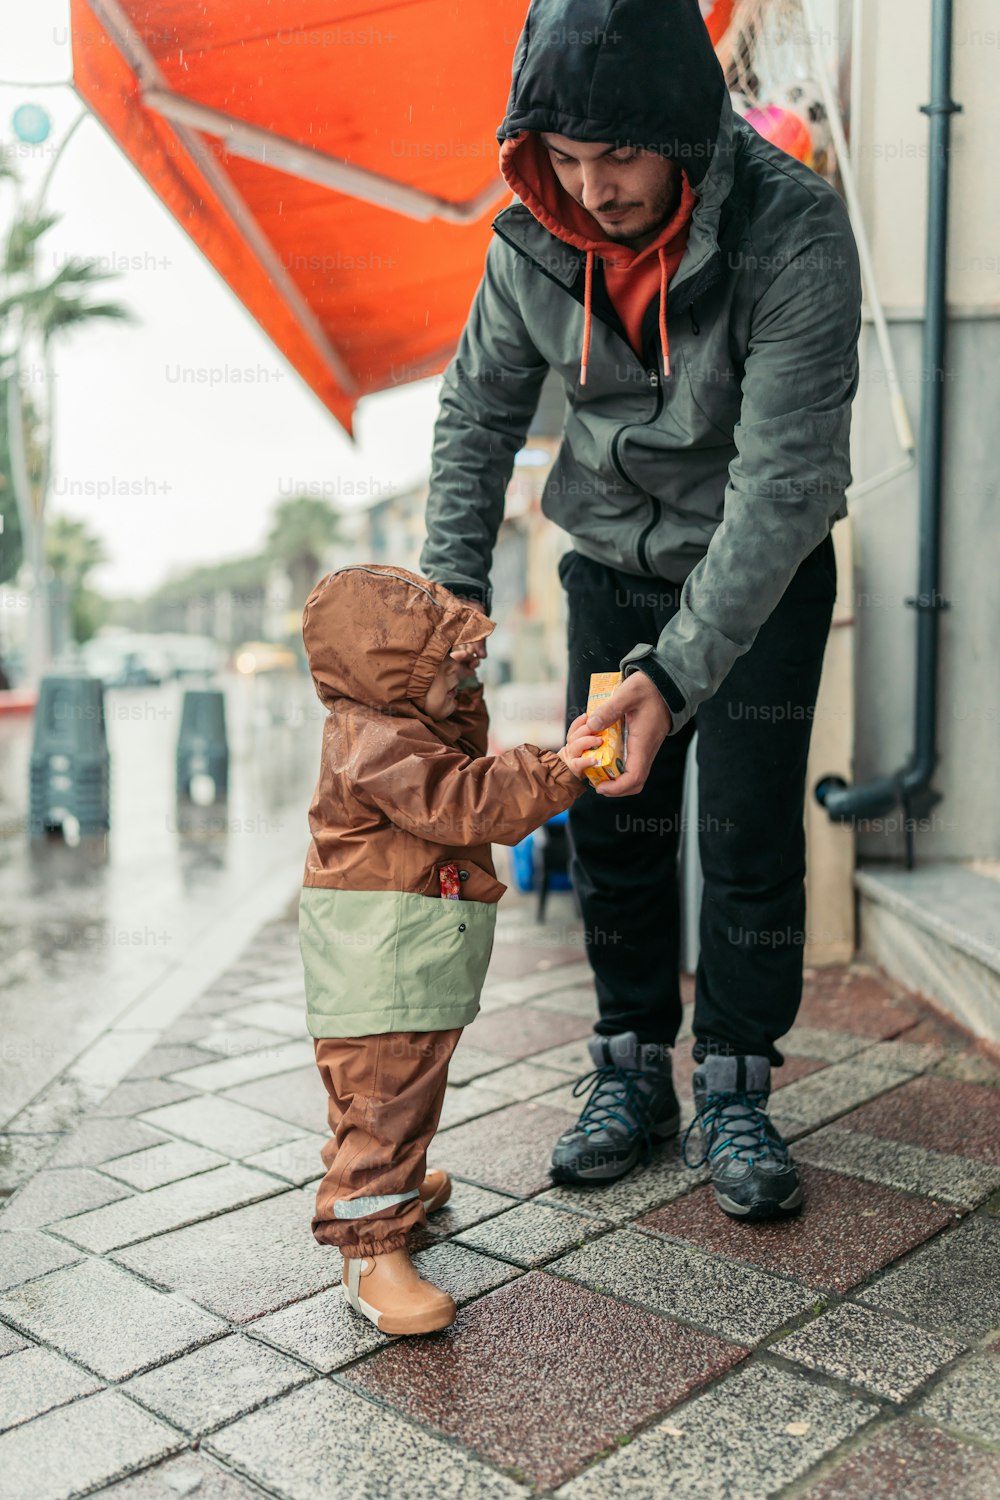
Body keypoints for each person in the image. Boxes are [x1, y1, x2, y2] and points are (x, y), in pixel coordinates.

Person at [419, 0, 862, 1221]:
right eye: (561, 160)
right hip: (612, 563)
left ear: (680, 127)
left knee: (751, 834)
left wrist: (667, 683)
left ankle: (735, 1081)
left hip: (758, 569)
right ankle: (628, 1070)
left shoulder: (794, 231)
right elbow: (473, 424)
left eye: (616, 155)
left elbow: (780, 488)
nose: (592, 188)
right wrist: (450, 614)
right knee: (612, 830)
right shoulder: (533, 242)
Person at [298, 563, 599, 1335]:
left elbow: (458, 749)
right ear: (391, 674)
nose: (462, 674)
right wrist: (562, 768)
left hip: (403, 959)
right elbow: (467, 799)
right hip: (381, 963)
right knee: (381, 1098)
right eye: (442, 663)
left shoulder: (399, 724)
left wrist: (455, 687)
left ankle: (392, 1184)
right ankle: (370, 1249)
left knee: (395, 1092)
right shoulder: (377, 744)